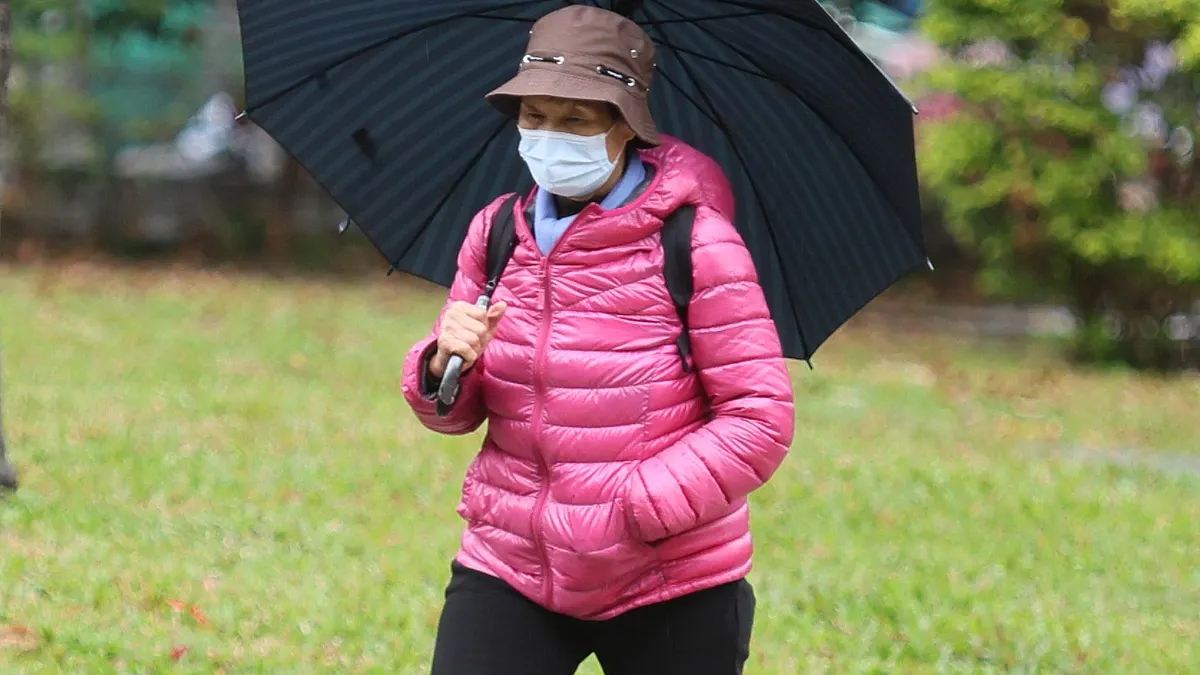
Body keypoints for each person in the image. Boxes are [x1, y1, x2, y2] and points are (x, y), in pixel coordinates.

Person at [401, 6, 795, 674]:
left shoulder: (696, 244)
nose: (550, 137)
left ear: (625, 127)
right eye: (535, 117)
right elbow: (454, 412)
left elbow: (760, 417)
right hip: (512, 560)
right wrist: (444, 360)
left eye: (576, 121)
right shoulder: (497, 234)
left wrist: (636, 507)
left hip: (669, 574)